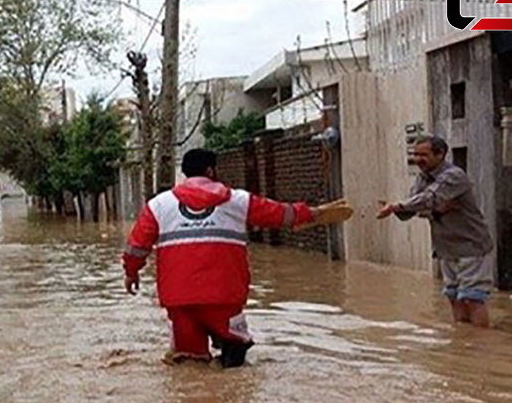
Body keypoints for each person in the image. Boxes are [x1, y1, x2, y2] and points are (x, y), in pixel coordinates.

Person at [122, 148, 345, 368]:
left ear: (185, 173)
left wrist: (131, 273)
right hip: (224, 296)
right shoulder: (238, 201)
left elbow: (136, 246)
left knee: (189, 364)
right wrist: (313, 213)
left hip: (179, 300)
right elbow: (280, 214)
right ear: (211, 171)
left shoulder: (158, 205)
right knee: (235, 354)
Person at [377, 135, 495, 327]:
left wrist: (397, 207)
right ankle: (464, 343)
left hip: (471, 247)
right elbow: (416, 206)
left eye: (423, 155)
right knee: (453, 296)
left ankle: (481, 344)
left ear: (440, 154)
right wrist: (429, 209)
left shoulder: (454, 176)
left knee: (473, 298)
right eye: (415, 155)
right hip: (446, 248)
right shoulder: (423, 178)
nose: (417, 159)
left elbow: (427, 199)